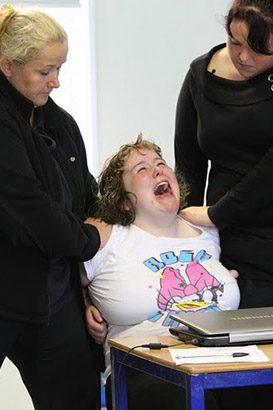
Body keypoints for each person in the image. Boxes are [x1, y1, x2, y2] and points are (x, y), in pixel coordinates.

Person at [0, 5, 111, 410]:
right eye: (45, 71)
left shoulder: (58, 123)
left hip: (51, 295)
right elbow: (27, 211)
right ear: (7, 65)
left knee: (78, 395)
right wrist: (91, 239)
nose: (56, 82)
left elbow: (85, 194)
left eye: (60, 68)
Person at [81, 134, 240, 410]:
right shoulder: (106, 236)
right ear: (124, 201)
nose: (158, 170)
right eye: (141, 169)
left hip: (223, 361)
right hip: (147, 367)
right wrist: (83, 300)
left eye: (161, 162)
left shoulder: (206, 230)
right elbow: (56, 278)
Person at [174, 1, 273, 409]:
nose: (244, 56)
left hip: (246, 228)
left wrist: (217, 213)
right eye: (235, 42)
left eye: (259, 48)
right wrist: (184, 242)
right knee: (238, 390)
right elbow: (189, 167)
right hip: (232, 254)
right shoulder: (201, 73)